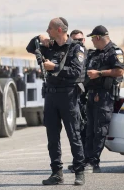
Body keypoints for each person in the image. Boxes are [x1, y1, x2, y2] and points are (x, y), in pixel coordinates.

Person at [26, 17, 86, 186]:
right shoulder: (49, 46)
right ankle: (56, 173)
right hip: (51, 96)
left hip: (68, 95)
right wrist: (39, 38)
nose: (47, 31)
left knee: (74, 135)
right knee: (52, 137)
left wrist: (55, 68)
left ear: (59, 30)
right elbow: (30, 47)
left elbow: (75, 72)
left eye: (49, 28)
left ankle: (79, 171)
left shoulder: (76, 47)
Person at [83, 25, 124, 173]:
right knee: (89, 129)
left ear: (98, 37)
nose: (92, 41)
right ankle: (86, 160)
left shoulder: (114, 51)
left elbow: (119, 70)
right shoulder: (95, 53)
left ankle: (94, 162)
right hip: (92, 94)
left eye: (93, 38)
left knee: (100, 129)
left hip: (105, 95)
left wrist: (99, 73)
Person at [67, 29, 88, 173]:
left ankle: (84, 161)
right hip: (74, 95)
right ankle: (78, 161)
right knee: (76, 131)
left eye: (80, 40)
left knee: (84, 129)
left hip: (86, 96)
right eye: (75, 40)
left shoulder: (90, 55)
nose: (78, 42)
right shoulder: (70, 54)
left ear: (84, 40)